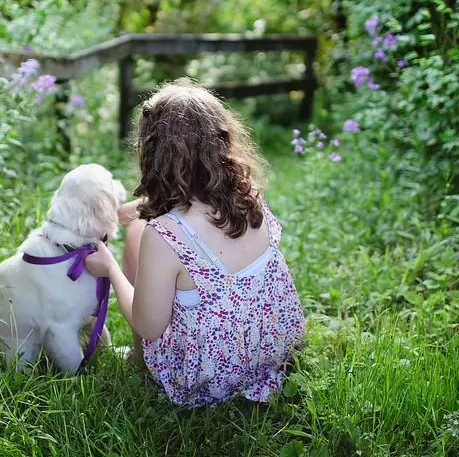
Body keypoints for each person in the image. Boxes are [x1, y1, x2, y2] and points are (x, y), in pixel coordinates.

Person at [83, 79, 305, 407]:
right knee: (139, 225)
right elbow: (187, 212)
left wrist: (111, 269)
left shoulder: (163, 236)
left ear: (150, 153)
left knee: (136, 234)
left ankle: (142, 363)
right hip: (271, 352)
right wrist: (127, 211)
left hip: (207, 377)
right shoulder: (249, 195)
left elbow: (149, 325)